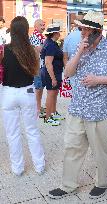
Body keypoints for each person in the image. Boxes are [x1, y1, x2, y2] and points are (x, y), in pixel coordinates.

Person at [48, 10, 107, 199]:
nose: (81, 32)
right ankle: (68, 185)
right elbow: (67, 73)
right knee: (72, 147)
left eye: (84, 30)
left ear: (96, 32)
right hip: (78, 107)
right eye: (81, 29)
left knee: (101, 151)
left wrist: (99, 79)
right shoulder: (80, 46)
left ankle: (102, 183)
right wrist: (80, 52)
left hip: (100, 109)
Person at [1, 16, 45, 176]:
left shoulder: (3, 49)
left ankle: (17, 168)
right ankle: (39, 166)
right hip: (27, 92)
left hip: (8, 93)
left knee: (12, 133)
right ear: (26, 31)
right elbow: (35, 72)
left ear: (11, 31)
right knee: (32, 130)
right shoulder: (32, 50)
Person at [41, 24, 64, 126]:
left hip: (56, 72)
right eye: (58, 32)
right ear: (54, 33)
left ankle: (53, 113)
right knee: (51, 94)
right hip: (51, 73)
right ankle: (48, 117)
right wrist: (53, 78)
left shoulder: (51, 43)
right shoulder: (50, 44)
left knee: (54, 93)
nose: (59, 34)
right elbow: (48, 62)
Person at [30, 19, 46, 117]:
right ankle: (37, 108)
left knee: (40, 87)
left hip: (41, 65)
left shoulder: (41, 37)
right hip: (37, 66)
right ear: (35, 27)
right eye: (41, 25)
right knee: (38, 88)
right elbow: (40, 50)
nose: (43, 27)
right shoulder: (34, 37)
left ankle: (38, 106)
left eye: (44, 25)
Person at [63, 14, 83, 90]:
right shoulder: (91, 36)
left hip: (73, 71)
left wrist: (67, 70)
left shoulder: (69, 37)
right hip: (88, 73)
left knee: (75, 97)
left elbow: (65, 57)